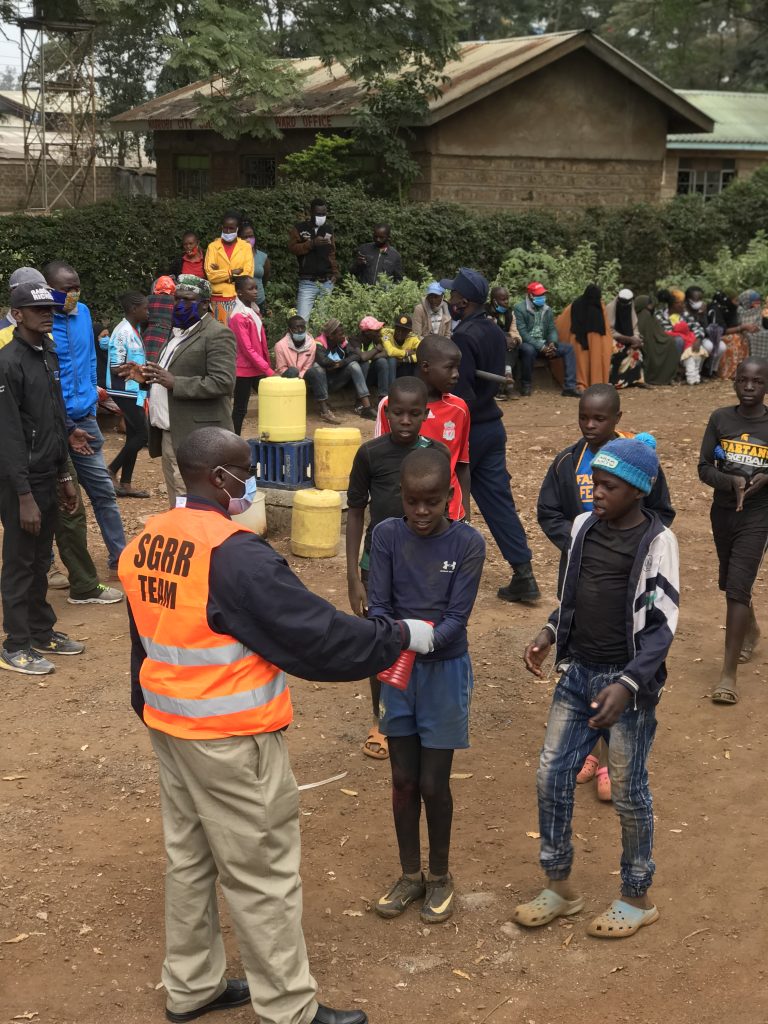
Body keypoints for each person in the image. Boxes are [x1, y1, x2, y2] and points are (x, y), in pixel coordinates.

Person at [119, 425, 435, 1024]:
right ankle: (289, 1008)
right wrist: (400, 636)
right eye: (244, 469)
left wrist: (149, 707)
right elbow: (315, 637)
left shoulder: (148, 541)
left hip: (170, 727)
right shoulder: (236, 556)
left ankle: (191, 986)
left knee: (189, 862)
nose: (251, 479)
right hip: (232, 739)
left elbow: (144, 638)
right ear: (217, 479)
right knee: (262, 872)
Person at [517, 434, 679, 939]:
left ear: (637, 492)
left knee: (629, 791)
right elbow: (573, 593)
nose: (595, 495)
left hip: (625, 684)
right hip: (578, 671)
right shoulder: (586, 526)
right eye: (594, 485)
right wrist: (549, 631)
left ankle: (636, 895)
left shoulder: (658, 542)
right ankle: (559, 885)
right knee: (551, 775)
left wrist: (630, 685)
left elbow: (663, 626)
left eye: (607, 487)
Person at [537, 384, 676, 798]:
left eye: (599, 419)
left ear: (617, 418)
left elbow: (663, 511)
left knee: (617, 660)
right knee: (588, 661)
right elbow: (548, 511)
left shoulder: (639, 461)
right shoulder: (566, 461)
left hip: (627, 577)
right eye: (584, 417)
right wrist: (582, 540)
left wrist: (627, 542)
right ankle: (592, 754)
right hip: (584, 568)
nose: (590, 425)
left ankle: (608, 763)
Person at [371, 447, 485, 923]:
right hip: (397, 672)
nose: (421, 512)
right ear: (401, 496)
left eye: (432, 502)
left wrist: (412, 637)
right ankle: (409, 874)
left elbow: (457, 619)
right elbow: (378, 605)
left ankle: (440, 875)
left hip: (443, 671)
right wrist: (396, 638)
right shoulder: (386, 536)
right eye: (413, 501)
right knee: (402, 779)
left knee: (435, 783)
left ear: (449, 497)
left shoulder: (467, 544)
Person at [346, 377, 442, 760]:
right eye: (397, 413)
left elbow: (441, 511)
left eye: (414, 413)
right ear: (386, 413)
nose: (405, 420)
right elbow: (356, 512)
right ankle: (382, 719)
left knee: (424, 639)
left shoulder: (436, 453)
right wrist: (354, 576)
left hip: (424, 564)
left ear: (425, 414)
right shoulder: (370, 454)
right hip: (377, 564)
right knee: (381, 641)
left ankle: (422, 714)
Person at [0, 282, 85, 675]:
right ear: (17, 314)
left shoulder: (48, 353)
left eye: (50, 308)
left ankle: (41, 631)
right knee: (20, 562)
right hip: (20, 482)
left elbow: (54, 418)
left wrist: (65, 472)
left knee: (40, 559)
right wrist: (23, 495)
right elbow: (9, 434)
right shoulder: (8, 362)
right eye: (38, 310)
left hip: (49, 473)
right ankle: (15, 643)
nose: (48, 314)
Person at [445, 267, 541, 604]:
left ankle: (445, 571)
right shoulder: (492, 330)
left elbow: (462, 394)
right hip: (492, 427)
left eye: (453, 296)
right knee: (499, 502)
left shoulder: (464, 336)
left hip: (468, 430)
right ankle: (524, 574)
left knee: (448, 497)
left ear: (464, 301)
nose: (450, 300)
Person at [43, 260, 127, 575]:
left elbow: (90, 358)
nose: (73, 294)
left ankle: (120, 556)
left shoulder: (84, 313)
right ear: (49, 289)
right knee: (54, 499)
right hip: (52, 424)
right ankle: (48, 566)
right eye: (66, 289)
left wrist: (92, 398)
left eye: (77, 287)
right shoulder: (41, 321)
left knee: (103, 490)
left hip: (85, 420)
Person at [123, 275, 236, 508]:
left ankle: (202, 542)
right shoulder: (176, 333)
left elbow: (223, 382)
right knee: (178, 500)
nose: (181, 305)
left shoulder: (217, 334)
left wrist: (177, 383)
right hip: (169, 431)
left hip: (196, 435)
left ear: (205, 304)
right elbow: (168, 375)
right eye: (178, 300)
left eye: (189, 300)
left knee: (195, 501)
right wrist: (147, 378)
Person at [698, 358, 768, 706]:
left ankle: (728, 675)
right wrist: (731, 481)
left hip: (759, 516)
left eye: (757, 381)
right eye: (743, 380)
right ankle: (751, 630)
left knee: (737, 589)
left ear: (766, 385)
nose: (750, 387)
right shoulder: (720, 419)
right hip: (723, 513)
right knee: (729, 581)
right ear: (735, 383)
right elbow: (704, 467)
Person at [375, 334, 471, 525]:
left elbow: (461, 463)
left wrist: (466, 513)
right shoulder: (391, 405)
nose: (456, 374)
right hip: (408, 511)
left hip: (449, 510)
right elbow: (383, 459)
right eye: (449, 367)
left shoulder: (459, 409)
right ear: (425, 366)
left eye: (457, 367)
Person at [102, 291, 150, 498]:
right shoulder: (122, 332)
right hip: (123, 390)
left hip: (133, 390)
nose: (147, 312)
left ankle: (126, 484)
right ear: (133, 309)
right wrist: (137, 370)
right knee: (143, 434)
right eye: (145, 308)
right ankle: (111, 469)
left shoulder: (135, 329)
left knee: (134, 434)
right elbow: (115, 367)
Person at [515, 282, 580, 398]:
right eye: (539, 295)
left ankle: (570, 387)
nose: (542, 298)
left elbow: (551, 329)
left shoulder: (547, 309)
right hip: (528, 344)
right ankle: (526, 385)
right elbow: (523, 333)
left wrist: (552, 343)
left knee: (568, 348)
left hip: (544, 343)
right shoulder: (520, 309)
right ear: (530, 295)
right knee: (528, 350)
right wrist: (542, 347)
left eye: (543, 295)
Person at [274, 315, 340, 424]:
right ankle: (291, 410)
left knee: (317, 369)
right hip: (288, 376)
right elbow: (281, 369)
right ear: (289, 330)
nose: (300, 330)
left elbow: (308, 366)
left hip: (303, 374)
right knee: (293, 370)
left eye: (302, 327)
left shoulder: (311, 344)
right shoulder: (280, 345)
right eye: (296, 328)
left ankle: (324, 410)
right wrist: (296, 375)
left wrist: (300, 377)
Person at [229, 275, 274, 436]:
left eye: (256, 287)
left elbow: (259, 343)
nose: (255, 291)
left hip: (256, 366)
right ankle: (234, 441)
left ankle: (272, 433)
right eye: (250, 288)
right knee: (240, 408)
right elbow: (247, 349)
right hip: (244, 369)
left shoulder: (253, 310)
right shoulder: (238, 316)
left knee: (271, 400)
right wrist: (268, 369)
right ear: (240, 293)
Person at [313, 320, 377, 421]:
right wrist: (337, 363)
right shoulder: (319, 343)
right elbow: (323, 361)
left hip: (339, 379)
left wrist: (341, 363)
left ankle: (366, 407)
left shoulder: (342, 342)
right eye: (340, 334)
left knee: (355, 364)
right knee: (317, 367)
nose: (344, 336)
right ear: (331, 336)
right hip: (325, 382)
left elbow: (356, 356)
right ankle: (325, 409)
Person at [554, 284, 612, 392]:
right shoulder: (599, 305)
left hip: (578, 338)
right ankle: (596, 383)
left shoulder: (575, 304)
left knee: (581, 363)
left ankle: (581, 384)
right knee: (593, 361)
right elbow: (606, 328)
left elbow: (562, 323)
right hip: (595, 339)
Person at [289, 198, 338, 321]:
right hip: (307, 282)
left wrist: (335, 273)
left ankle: (319, 341)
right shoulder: (299, 228)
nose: (321, 216)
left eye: (323, 214)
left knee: (324, 321)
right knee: (302, 320)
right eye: (318, 214)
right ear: (310, 212)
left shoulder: (328, 229)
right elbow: (292, 248)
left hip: (327, 281)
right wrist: (311, 244)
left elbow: (332, 252)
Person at [205, 210, 255, 324]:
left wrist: (221, 273)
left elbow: (247, 275)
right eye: (225, 228)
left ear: (237, 229)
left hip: (239, 299)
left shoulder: (246, 247)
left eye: (231, 228)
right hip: (217, 299)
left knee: (239, 336)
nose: (228, 231)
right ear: (221, 228)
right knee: (220, 337)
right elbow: (211, 275)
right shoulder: (213, 247)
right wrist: (232, 272)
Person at [635, 294, 680, 386]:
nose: (651, 306)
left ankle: (669, 377)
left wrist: (665, 338)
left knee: (671, 342)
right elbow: (645, 334)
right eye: (649, 304)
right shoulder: (644, 314)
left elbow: (658, 331)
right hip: (646, 344)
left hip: (655, 340)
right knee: (670, 343)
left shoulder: (650, 314)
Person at [606, 288, 647, 389]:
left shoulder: (630, 307)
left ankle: (637, 380)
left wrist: (636, 339)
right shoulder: (610, 308)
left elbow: (635, 327)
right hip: (613, 339)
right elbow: (609, 331)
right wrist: (628, 339)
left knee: (637, 351)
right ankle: (614, 381)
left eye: (627, 303)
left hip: (629, 338)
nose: (624, 305)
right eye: (622, 302)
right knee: (617, 349)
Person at [487, 285, 521, 400]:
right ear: (494, 301)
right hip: (489, 343)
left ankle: (507, 377)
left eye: (507, 299)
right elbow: (488, 331)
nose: (506, 302)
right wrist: (504, 338)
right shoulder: (485, 311)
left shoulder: (510, 313)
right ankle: (507, 383)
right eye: (503, 299)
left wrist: (516, 340)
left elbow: (514, 331)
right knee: (505, 340)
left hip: (507, 346)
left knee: (513, 343)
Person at [685, 285, 726, 376]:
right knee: (708, 346)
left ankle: (711, 369)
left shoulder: (703, 309)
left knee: (722, 346)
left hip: (702, 335)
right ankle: (697, 371)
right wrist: (698, 315)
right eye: (696, 299)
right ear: (688, 299)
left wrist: (702, 315)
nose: (699, 302)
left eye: (700, 299)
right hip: (690, 337)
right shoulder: (684, 310)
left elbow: (705, 327)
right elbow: (689, 327)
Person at [709, 292, 750, 381]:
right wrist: (741, 328)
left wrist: (743, 328)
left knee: (743, 338)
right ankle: (728, 372)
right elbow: (722, 330)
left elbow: (734, 324)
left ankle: (741, 371)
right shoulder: (715, 309)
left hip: (730, 333)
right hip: (717, 336)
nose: (737, 303)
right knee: (734, 339)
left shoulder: (731, 309)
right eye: (735, 300)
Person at [347, 316, 390, 397]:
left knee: (382, 361)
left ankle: (383, 396)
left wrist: (370, 356)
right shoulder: (354, 339)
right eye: (376, 330)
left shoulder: (375, 338)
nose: (379, 332)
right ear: (367, 332)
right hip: (356, 379)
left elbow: (386, 353)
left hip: (369, 376)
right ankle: (360, 401)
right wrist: (377, 349)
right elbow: (363, 357)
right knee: (365, 363)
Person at [143, 276, 176, 363]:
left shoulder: (148, 299)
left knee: (146, 363)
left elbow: (142, 320)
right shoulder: (176, 301)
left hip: (149, 335)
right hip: (168, 336)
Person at [238, 221, 271, 311]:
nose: (249, 239)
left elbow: (265, 279)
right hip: (241, 303)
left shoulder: (263, 257)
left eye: (251, 236)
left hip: (260, 302)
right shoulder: (235, 257)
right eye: (245, 237)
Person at [381, 314, 420, 385]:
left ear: (409, 331)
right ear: (394, 328)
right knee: (391, 360)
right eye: (398, 329)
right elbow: (390, 351)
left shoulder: (413, 339)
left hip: (404, 368)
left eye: (404, 330)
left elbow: (421, 354)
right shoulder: (386, 334)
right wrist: (406, 353)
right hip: (389, 368)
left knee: (410, 366)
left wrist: (403, 360)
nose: (400, 332)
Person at [738, 290, 768, 361]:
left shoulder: (758, 310)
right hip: (742, 331)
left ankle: (762, 362)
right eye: (754, 302)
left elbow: (760, 323)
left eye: (758, 302)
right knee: (749, 337)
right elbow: (737, 323)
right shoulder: (738, 310)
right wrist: (745, 327)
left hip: (758, 330)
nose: (757, 304)